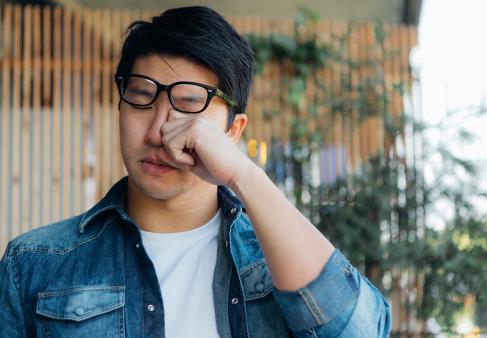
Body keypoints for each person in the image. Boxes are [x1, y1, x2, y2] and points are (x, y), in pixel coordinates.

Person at [0, 6, 390, 338]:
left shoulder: (281, 257)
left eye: (188, 105)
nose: (157, 133)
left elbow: (361, 330)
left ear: (233, 131)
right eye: (140, 97)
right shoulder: (33, 265)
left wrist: (243, 174)